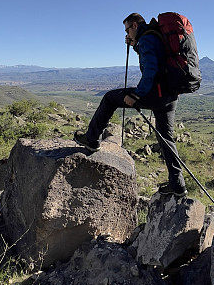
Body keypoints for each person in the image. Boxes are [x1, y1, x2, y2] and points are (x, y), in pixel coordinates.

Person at [74, 13, 188, 197]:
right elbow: (156, 56)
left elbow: (151, 68)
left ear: (134, 25)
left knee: (110, 98)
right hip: (170, 95)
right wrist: (135, 45)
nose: (127, 33)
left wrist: (136, 94)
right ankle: (178, 185)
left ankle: (92, 139)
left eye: (127, 29)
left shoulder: (147, 39)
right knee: (166, 138)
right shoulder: (153, 35)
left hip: (155, 93)